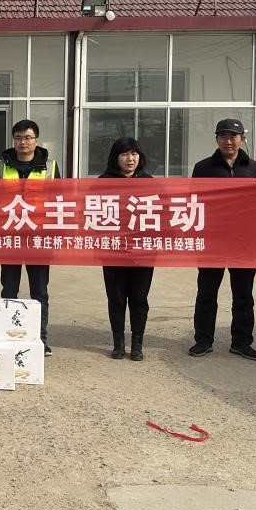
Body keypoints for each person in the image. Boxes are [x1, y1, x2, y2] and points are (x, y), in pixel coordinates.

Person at [189, 118, 256, 361]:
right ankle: (203, 340)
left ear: (242, 139)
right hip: (212, 240)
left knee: (243, 294)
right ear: (216, 139)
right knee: (206, 292)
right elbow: (193, 201)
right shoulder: (203, 168)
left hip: (244, 242)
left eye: (233, 136)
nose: (228, 141)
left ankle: (242, 342)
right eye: (223, 136)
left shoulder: (254, 168)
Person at [0, 119, 59, 354]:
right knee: (9, 290)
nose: (23, 142)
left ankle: (39, 339)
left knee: (39, 291)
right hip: (10, 237)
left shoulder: (50, 167)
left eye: (28, 137)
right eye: (19, 137)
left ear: (36, 140)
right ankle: (8, 336)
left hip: (38, 238)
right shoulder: (0, 167)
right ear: (13, 140)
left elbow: (58, 200)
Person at [99, 137, 155, 362]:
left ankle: (137, 344)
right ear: (116, 157)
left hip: (143, 251)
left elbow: (163, 214)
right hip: (113, 250)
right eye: (124, 154)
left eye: (134, 153)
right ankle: (118, 343)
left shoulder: (150, 183)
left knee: (139, 298)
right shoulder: (103, 182)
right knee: (117, 297)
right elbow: (89, 214)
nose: (130, 159)